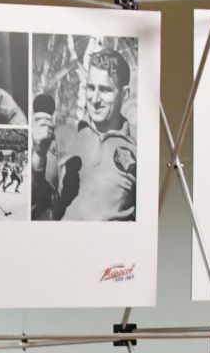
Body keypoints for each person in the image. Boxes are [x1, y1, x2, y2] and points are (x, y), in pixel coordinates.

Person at [32, 48, 138, 222]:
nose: (95, 99)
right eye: (91, 88)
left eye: (104, 90)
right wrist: (38, 156)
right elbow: (36, 209)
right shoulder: (61, 136)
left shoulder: (139, 147)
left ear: (125, 94)